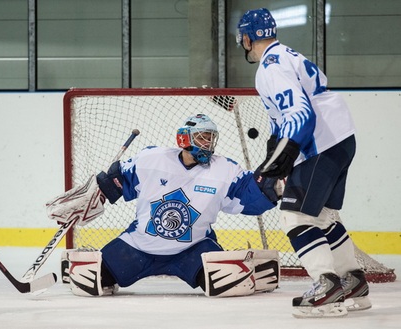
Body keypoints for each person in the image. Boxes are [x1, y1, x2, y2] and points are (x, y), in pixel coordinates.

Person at [236, 8, 371, 318]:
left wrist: (280, 161)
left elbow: (300, 114)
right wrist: (275, 153)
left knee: (294, 217)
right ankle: (353, 283)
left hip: (319, 143)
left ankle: (327, 287)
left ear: (246, 38)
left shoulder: (270, 67)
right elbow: (284, 119)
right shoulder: (287, 55)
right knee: (322, 215)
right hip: (341, 138)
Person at [60, 114, 282, 298]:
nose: (208, 144)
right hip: (138, 247)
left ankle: (254, 268)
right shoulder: (151, 159)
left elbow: (248, 196)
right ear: (184, 139)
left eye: (210, 138)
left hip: (193, 250)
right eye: (202, 138)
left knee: (229, 282)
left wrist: (273, 186)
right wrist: (97, 192)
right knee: (90, 282)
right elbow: (117, 183)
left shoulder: (224, 169)